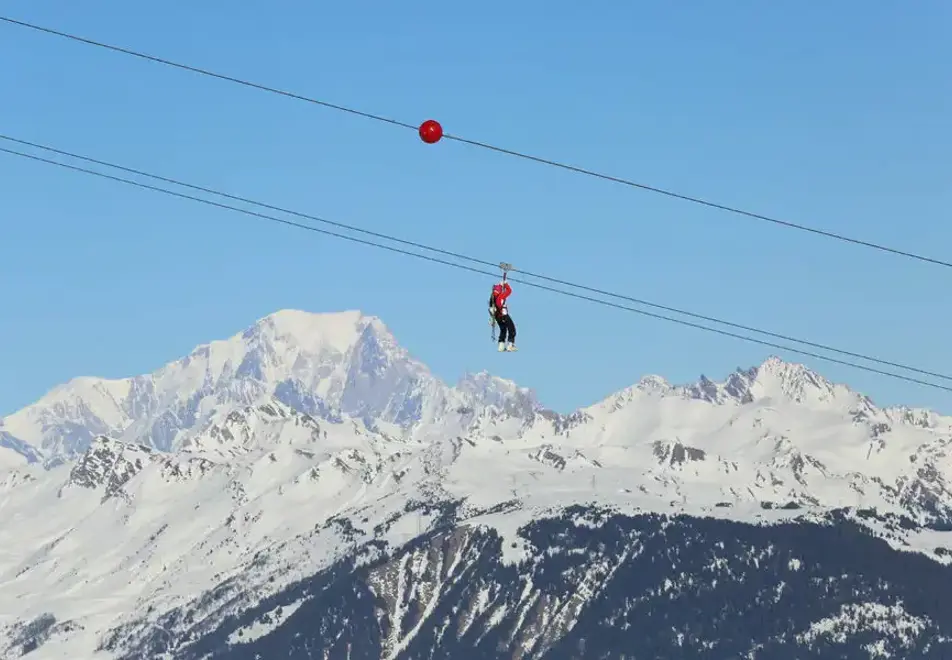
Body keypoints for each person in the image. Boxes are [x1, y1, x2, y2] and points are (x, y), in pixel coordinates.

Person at [490, 280, 517, 352]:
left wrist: (501, 285)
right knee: (512, 329)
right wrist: (506, 284)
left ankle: (501, 346)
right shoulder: (500, 297)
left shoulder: (492, 298)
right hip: (504, 315)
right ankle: (510, 345)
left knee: (503, 330)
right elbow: (509, 291)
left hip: (498, 317)